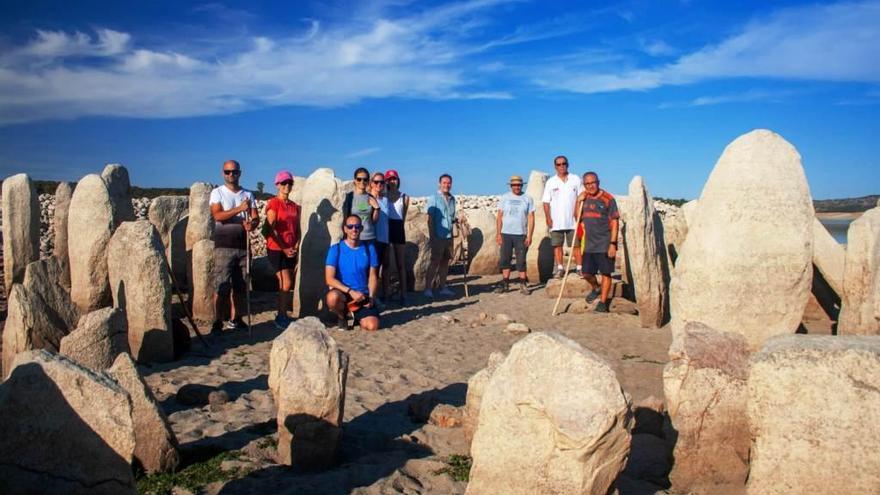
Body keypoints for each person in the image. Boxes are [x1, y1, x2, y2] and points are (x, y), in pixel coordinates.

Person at [209, 159, 258, 331]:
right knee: (221, 284)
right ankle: (217, 321)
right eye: (228, 172)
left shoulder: (248, 194)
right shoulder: (217, 193)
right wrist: (239, 210)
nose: (231, 175)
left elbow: (255, 217)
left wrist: (252, 224)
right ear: (223, 173)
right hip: (224, 245)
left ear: (240, 173)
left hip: (243, 246)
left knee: (240, 286)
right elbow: (217, 216)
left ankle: (236, 318)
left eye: (234, 172)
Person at [325, 214, 380, 331]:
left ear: (361, 228)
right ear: (345, 229)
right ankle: (342, 316)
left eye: (357, 226)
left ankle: (357, 316)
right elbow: (329, 279)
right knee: (332, 298)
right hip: (344, 293)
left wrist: (371, 297)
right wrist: (350, 291)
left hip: (362, 295)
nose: (353, 229)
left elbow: (373, 276)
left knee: (372, 326)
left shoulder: (369, 248)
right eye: (350, 226)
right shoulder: (336, 249)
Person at [574, 171, 619, 313]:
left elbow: (615, 222)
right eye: (587, 184)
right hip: (589, 244)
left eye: (592, 183)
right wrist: (578, 201)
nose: (590, 186)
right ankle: (596, 288)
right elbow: (577, 218)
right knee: (586, 273)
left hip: (605, 243)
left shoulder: (608, 199)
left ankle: (603, 302)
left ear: (598, 182)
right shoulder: (584, 198)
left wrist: (613, 244)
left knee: (606, 273)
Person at [263, 170, 301, 329]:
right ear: (277, 185)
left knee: (287, 283)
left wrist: (296, 245)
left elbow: (297, 228)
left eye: (290, 183)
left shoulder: (294, 206)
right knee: (285, 282)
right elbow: (270, 229)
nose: (287, 186)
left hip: (290, 248)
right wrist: (284, 248)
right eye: (284, 183)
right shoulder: (273, 203)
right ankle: (281, 315)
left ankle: (282, 314)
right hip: (276, 248)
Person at [542, 155, 583, 278]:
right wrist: (548, 218)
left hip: (573, 221)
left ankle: (579, 267)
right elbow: (545, 202)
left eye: (563, 163)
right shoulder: (551, 182)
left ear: (567, 164)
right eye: (558, 164)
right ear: (555, 166)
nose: (561, 166)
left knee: (576, 245)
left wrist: (579, 215)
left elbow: (581, 197)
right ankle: (560, 268)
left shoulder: (575, 179)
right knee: (557, 245)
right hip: (556, 221)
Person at [495, 175, 535, 294]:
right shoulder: (505, 197)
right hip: (506, 233)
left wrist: (530, 235)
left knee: (521, 260)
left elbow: (531, 217)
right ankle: (505, 283)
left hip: (520, 234)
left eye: (519, 185)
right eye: (514, 185)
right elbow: (499, 216)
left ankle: (523, 284)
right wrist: (498, 234)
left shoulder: (527, 198)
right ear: (511, 186)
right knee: (505, 259)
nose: (517, 187)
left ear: (522, 185)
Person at [424, 173, 457, 298]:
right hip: (438, 235)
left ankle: (443, 287)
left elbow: (452, 217)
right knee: (434, 262)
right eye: (444, 183)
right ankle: (428, 288)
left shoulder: (452, 199)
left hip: (449, 236)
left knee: (445, 262)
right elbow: (430, 219)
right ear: (439, 184)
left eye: (448, 183)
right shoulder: (433, 198)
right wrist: (432, 236)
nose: (446, 185)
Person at [384, 169, 410, 305]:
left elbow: (403, 215)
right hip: (387, 228)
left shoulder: (404, 197)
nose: (392, 181)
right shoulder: (383, 196)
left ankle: (403, 294)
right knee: (386, 264)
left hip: (398, 228)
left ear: (398, 180)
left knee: (401, 264)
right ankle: (386, 293)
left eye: (394, 179)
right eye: (389, 179)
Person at [343, 167, 380, 248]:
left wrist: (377, 208)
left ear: (368, 181)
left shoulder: (371, 197)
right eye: (359, 179)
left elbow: (374, 221)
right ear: (355, 181)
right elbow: (345, 218)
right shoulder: (349, 197)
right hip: (353, 238)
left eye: (365, 179)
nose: (362, 182)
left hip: (370, 237)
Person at [370, 171, 390, 306]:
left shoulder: (385, 200)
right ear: (371, 183)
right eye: (376, 182)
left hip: (385, 239)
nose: (379, 185)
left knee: (384, 268)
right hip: (373, 239)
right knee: (373, 271)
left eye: (381, 182)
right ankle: (373, 298)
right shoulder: (367, 199)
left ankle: (382, 295)